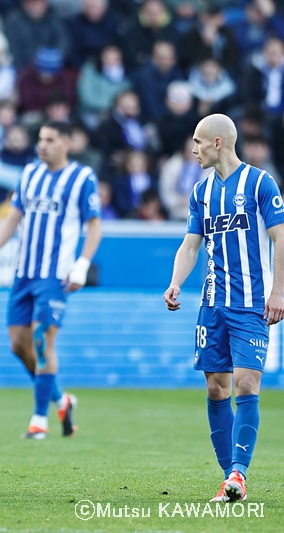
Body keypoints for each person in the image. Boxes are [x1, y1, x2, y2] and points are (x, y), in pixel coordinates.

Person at [163, 114, 284, 503]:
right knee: (217, 388)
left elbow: (281, 238)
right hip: (212, 304)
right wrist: (176, 281)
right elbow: (191, 245)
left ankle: (238, 473)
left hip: (251, 304)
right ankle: (230, 477)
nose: (192, 149)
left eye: (198, 142)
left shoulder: (261, 183)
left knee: (247, 384)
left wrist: (278, 292)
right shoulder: (200, 192)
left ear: (218, 143)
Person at [0, 121, 102, 439]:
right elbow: (14, 214)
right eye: (40, 139)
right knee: (19, 345)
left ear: (67, 142)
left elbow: (94, 225)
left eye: (50, 139)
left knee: (41, 341)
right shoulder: (30, 174)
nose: (43, 145)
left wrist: (82, 264)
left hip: (55, 274)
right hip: (24, 273)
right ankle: (61, 400)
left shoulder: (81, 178)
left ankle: (39, 421)